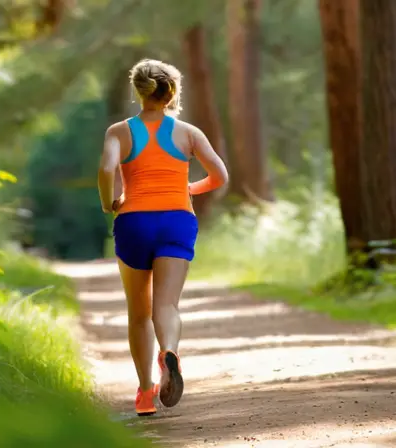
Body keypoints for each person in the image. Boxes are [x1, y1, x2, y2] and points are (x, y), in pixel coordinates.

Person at [97, 58, 228, 416]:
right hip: (176, 220)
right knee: (166, 306)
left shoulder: (119, 132)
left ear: (138, 90)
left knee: (138, 313)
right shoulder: (188, 132)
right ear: (172, 91)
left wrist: (109, 202)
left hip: (133, 222)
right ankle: (168, 351)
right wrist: (189, 188)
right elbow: (220, 176)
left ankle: (144, 393)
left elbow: (107, 168)